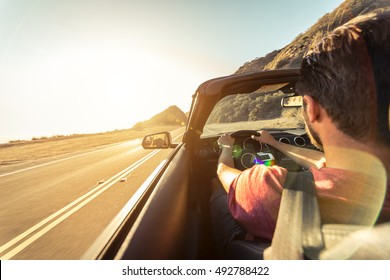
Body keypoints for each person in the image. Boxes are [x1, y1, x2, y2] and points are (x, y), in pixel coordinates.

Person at [211, 9, 390, 257]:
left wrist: (227, 148)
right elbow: (322, 162)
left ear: (312, 107)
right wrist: (275, 143)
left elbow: (223, 173)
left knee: (215, 193)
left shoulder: (274, 189)